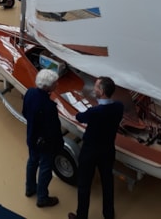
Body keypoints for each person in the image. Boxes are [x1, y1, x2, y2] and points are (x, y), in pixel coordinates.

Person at [69, 76, 124, 219]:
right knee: (107, 182)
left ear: (102, 92)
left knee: (84, 184)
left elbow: (80, 117)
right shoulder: (119, 107)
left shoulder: (94, 112)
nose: (94, 88)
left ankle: (82, 216)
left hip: (90, 151)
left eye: (96, 87)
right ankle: (108, 214)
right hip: (108, 149)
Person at [22, 69, 63, 208]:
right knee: (45, 169)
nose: (57, 85)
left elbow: (25, 112)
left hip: (32, 137)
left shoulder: (29, 93)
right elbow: (54, 129)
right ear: (47, 87)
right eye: (55, 83)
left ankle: (30, 188)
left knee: (32, 162)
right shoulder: (49, 107)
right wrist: (59, 144)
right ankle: (42, 198)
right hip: (45, 144)